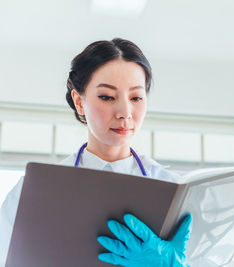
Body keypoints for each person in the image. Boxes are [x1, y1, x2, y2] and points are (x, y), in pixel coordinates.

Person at [0, 38, 192, 267]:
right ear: (79, 102)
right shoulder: (33, 191)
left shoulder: (174, 189)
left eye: (136, 98)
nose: (125, 112)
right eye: (107, 97)